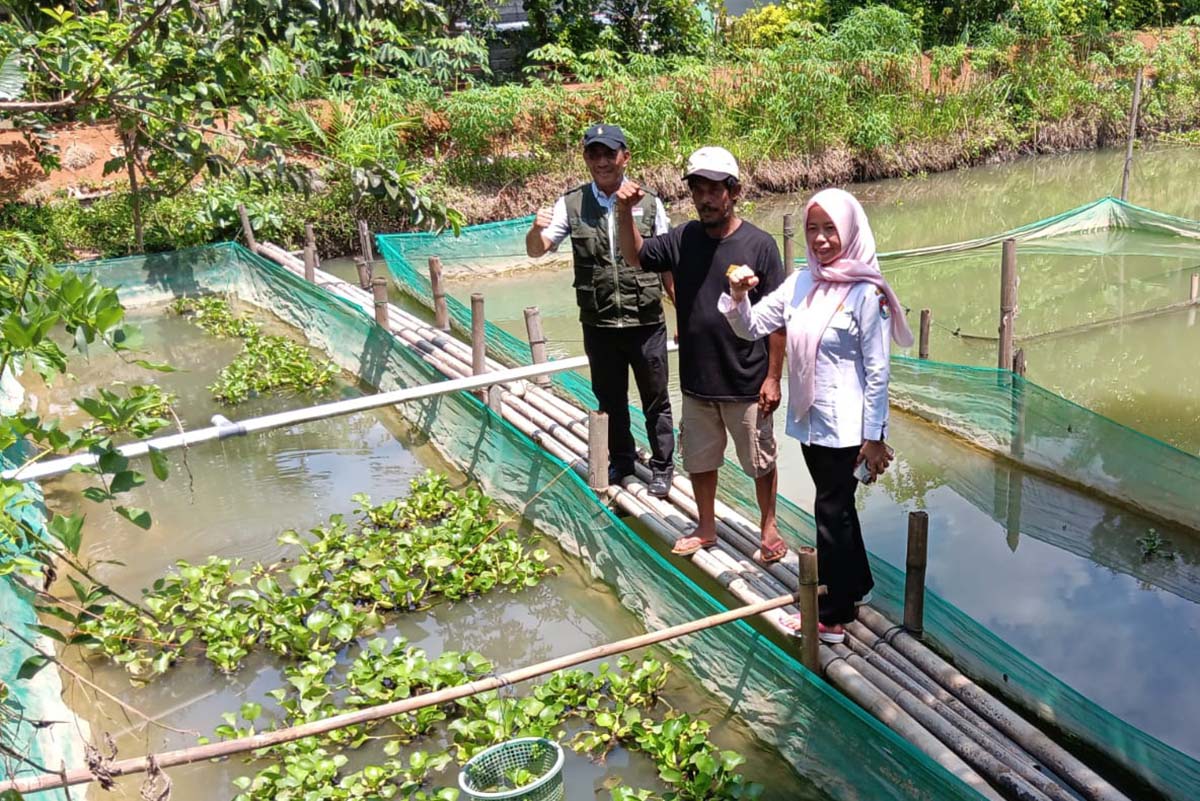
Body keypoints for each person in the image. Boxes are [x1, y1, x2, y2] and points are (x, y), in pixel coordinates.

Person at [721, 187, 913, 643]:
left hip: (848, 425)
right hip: (811, 421)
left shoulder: (867, 293)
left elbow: (878, 371)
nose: (822, 239)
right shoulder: (801, 282)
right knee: (839, 508)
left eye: (831, 229)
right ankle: (858, 585)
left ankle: (831, 613)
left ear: (850, 231)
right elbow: (751, 326)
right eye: (814, 229)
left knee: (829, 511)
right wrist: (737, 295)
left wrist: (875, 436)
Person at [615, 146, 788, 564]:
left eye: (715, 190)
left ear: (734, 192)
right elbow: (636, 256)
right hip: (697, 380)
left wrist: (773, 377)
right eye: (698, 189)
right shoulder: (683, 239)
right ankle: (706, 526)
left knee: (760, 460)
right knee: (700, 459)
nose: (706, 199)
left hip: (747, 381)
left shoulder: (760, 246)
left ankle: (768, 528)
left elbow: (781, 321)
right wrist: (624, 213)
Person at [525, 124, 676, 497]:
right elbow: (537, 249)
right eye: (594, 154)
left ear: (625, 156)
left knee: (656, 398)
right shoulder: (571, 204)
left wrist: (683, 314)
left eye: (609, 153)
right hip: (600, 322)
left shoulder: (651, 203)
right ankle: (622, 460)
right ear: (586, 158)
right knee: (609, 398)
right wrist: (534, 229)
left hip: (646, 320)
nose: (602, 161)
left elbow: (668, 263)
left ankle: (662, 466)